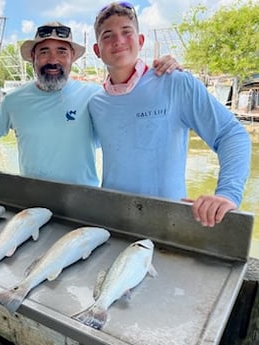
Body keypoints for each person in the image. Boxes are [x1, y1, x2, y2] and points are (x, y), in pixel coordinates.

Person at [0, 21, 180, 186]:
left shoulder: (95, 95)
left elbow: (133, 104)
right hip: (32, 197)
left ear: (72, 58)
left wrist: (159, 72)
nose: (53, 60)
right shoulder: (14, 100)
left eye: (61, 52)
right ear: (33, 58)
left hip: (85, 202)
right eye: (44, 52)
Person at [89, 2, 252, 227]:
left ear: (140, 40)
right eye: (108, 35)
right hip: (113, 222)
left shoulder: (175, 82)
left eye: (127, 32)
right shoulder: (96, 103)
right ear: (97, 51)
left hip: (169, 225)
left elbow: (231, 134)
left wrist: (228, 193)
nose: (118, 41)